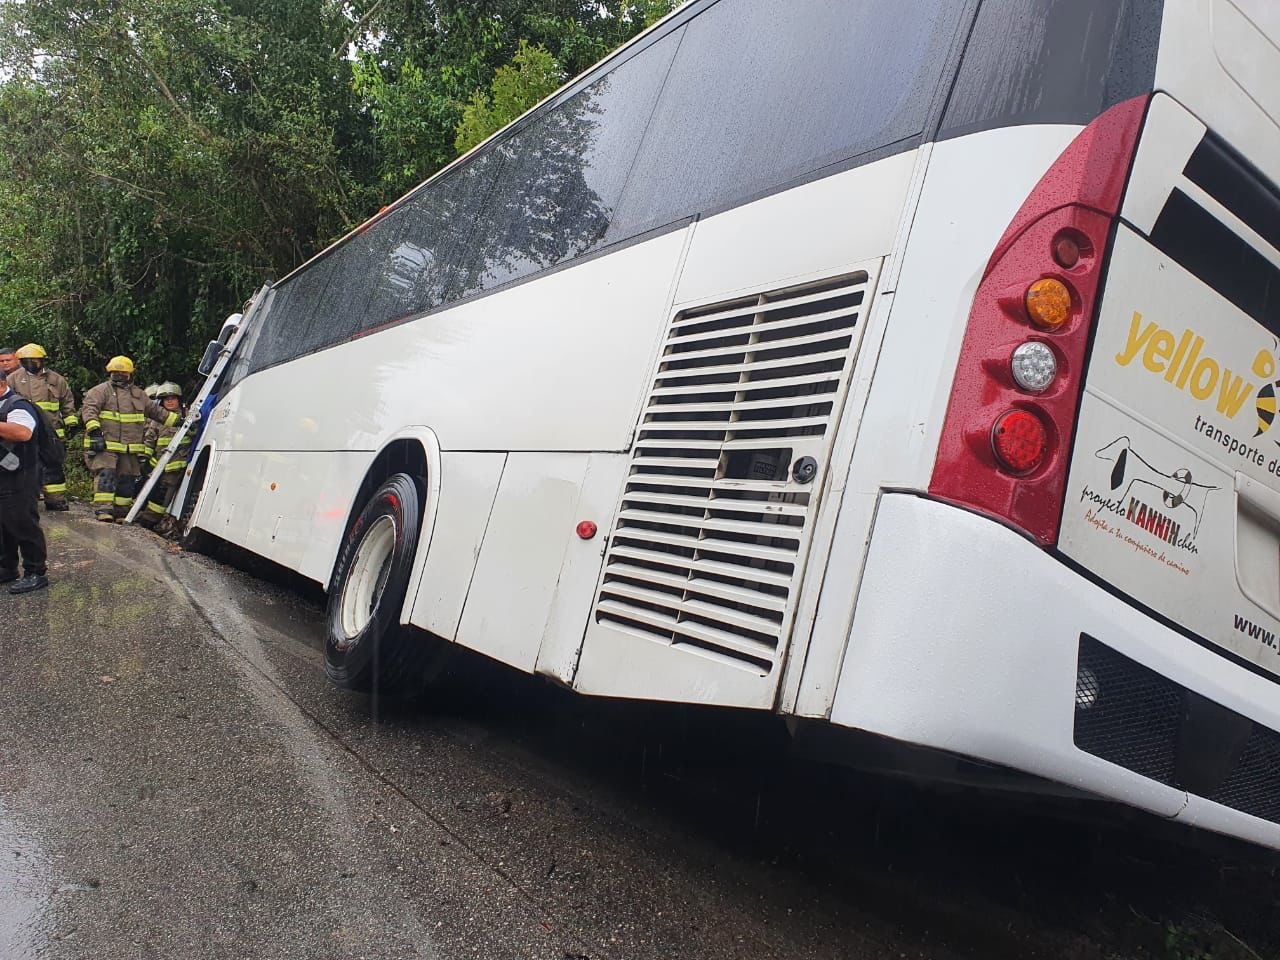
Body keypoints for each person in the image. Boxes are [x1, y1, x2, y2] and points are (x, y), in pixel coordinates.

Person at [80, 356, 179, 522]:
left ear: (130, 374)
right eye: (115, 373)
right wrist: (95, 432)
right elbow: (89, 411)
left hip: (130, 447)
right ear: (110, 373)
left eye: (122, 373)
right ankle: (103, 509)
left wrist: (179, 421)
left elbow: (157, 413)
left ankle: (121, 512)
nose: (119, 376)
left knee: (127, 478)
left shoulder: (138, 395)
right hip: (106, 445)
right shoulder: (99, 391)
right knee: (107, 474)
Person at [7, 343, 79, 511]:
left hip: (51, 432)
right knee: (23, 465)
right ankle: (24, 499)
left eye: (34, 360)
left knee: (53, 464)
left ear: (42, 360)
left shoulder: (56, 380)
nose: (30, 363)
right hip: (25, 430)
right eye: (26, 361)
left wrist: (71, 422)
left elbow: (67, 402)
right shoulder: (14, 379)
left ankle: (55, 499)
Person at [0, 369, 49, 593]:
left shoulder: (16, 405)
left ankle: (35, 572)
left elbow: (22, 433)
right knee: (3, 525)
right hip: (3, 475)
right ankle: (7, 568)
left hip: (20, 475)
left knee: (22, 522)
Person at [138, 381, 191, 531]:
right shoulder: (158, 420)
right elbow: (149, 440)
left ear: (179, 400)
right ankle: (144, 515)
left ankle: (149, 520)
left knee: (163, 494)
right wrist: (144, 459)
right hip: (158, 465)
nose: (169, 401)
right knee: (151, 490)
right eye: (166, 399)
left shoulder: (188, 418)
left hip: (177, 465)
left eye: (172, 398)